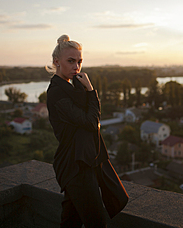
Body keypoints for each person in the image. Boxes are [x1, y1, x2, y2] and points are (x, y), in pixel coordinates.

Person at [46, 35, 128, 228]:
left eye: (79, 61)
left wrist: (85, 91)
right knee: (97, 223)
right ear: (56, 62)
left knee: (71, 221)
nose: (76, 66)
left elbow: (89, 122)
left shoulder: (70, 87)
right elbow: (91, 122)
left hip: (82, 161)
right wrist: (91, 90)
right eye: (71, 61)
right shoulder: (57, 92)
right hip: (75, 165)